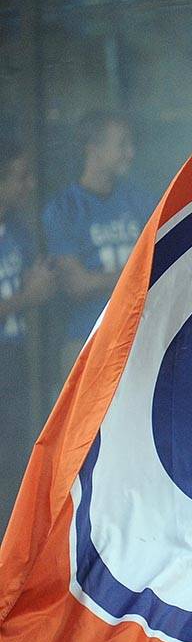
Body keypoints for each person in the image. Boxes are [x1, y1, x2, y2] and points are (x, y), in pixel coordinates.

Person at [42, 111, 155, 378]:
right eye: (122, 145)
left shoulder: (140, 200)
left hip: (138, 338)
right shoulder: (63, 208)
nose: (131, 153)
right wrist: (136, 277)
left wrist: (101, 279)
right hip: (87, 340)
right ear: (94, 149)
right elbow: (77, 286)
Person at [0, 142, 55, 524]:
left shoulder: (17, 231)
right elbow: (25, 296)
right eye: (20, 177)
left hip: (14, 364)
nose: (29, 185)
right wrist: (27, 297)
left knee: (14, 460)